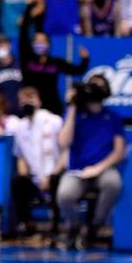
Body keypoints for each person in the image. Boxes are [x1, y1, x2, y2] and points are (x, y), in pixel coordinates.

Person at [55, 75, 125, 250]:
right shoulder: (76, 115)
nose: (95, 90)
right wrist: (72, 107)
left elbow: (119, 151)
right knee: (64, 194)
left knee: (113, 183)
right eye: (92, 86)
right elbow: (63, 143)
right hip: (78, 170)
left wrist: (98, 168)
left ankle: (95, 227)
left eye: (99, 87)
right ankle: (74, 226)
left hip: (104, 168)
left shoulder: (113, 117)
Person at [5, 85, 63, 238]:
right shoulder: (20, 127)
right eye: (23, 99)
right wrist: (25, 175)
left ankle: (55, 226)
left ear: (39, 101)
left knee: (58, 181)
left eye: (30, 98)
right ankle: (29, 225)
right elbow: (20, 156)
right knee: (18, 182)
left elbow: (65, 152)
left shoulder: (54, 121)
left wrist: (52, 175)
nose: (27, 102)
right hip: (35, 177)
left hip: (55, 173)